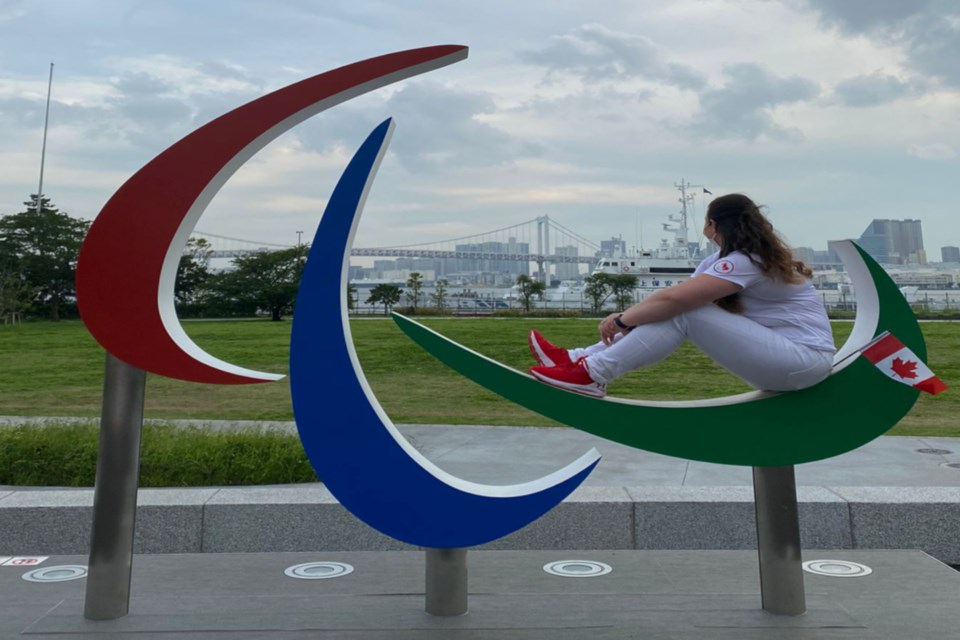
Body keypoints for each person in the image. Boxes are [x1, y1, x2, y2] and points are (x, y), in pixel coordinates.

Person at [528, 193, 835, 398]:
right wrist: (627, 321)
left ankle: (592, 373)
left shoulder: (747, 261)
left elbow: (677, 302)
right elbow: (668, 299)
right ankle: (580, 359)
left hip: (803, 360)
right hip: (785, 361)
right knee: (675, 308)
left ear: (711, 225)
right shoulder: (723, 262)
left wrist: (621, 319)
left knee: (687, 309)